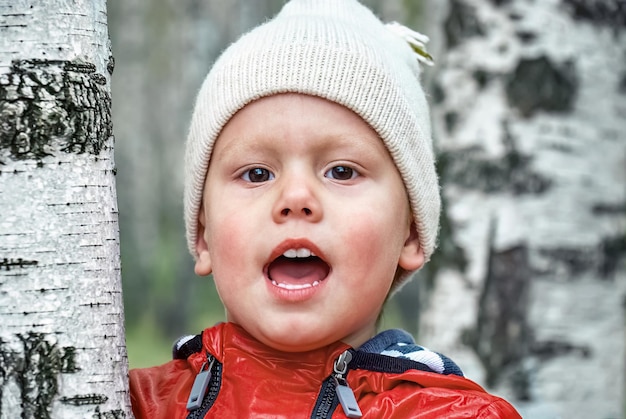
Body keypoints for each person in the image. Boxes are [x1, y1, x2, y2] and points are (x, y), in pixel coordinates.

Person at [129, 0, 522, 417]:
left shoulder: (449, 414)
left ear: (409, 233)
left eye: (341, 171)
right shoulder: (133, 401)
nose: (296, 198)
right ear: (204, 235)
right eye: (257, 174)